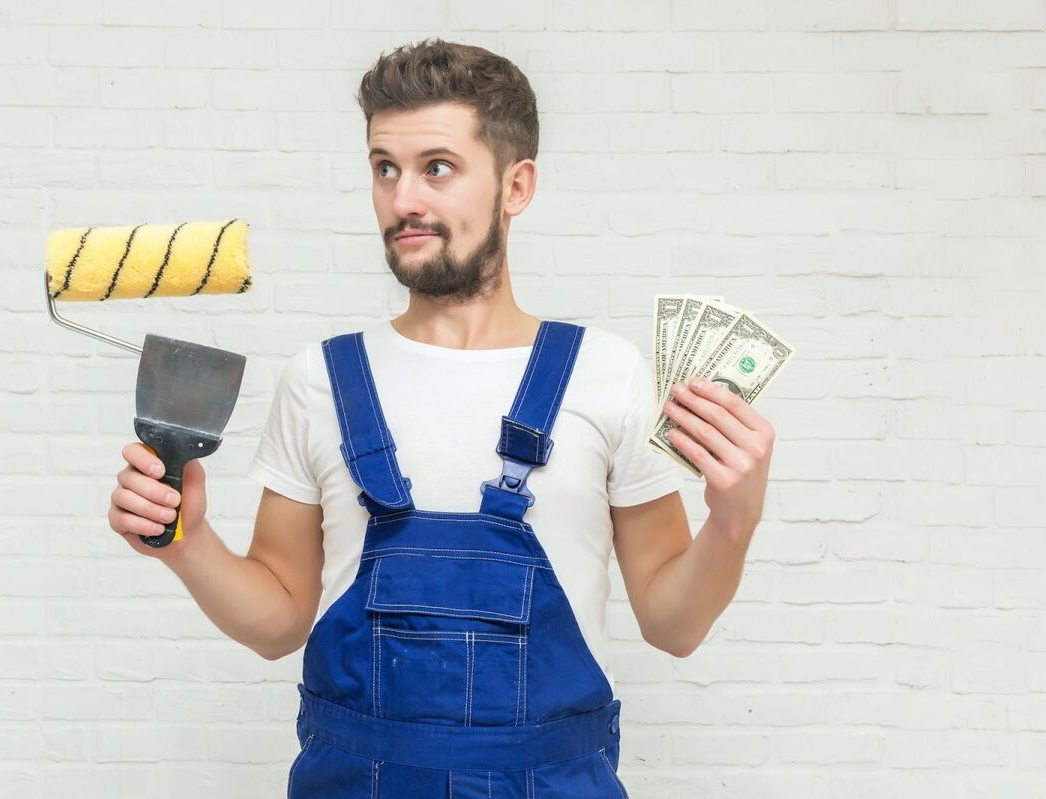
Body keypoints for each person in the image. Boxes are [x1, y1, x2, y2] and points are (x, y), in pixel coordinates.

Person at [108, 37, 775, 798]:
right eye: (384, 167)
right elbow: (280, 620)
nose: (404, 200)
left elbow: (673, 624)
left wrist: (733, 520)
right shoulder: (321, 379)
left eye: (437, 168)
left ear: (515, 185)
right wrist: (183, 541)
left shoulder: (607, 374)